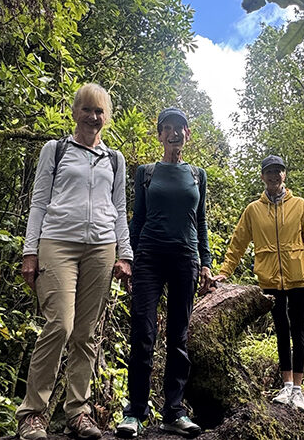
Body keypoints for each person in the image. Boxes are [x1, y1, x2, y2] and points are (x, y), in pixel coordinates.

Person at [16, 83, 133, 440]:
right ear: (75, 112)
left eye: (99, 111)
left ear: (106, 117)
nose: (93, 117)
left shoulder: (114, 159)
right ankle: (32, 414)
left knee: (87, 334)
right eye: (87, 109)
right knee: (59, 326)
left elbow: (119, 210)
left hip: (101, 247)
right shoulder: (56, 150)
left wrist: (125, 254)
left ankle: (78, 412)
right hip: (57, 243)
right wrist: (29, 250)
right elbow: (38, 202)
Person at [116, 107, 211, 439]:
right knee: (143, 333)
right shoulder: (146, 173)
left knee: (179, 337)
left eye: (179, 128)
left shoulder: (197, 175)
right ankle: (135, 413)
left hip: (185, 258)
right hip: (149, 257)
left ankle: (173, 412)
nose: (173, 133)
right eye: (167, 128)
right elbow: (136, 219)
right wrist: (126, 257)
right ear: (159, 135)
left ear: (188, 134)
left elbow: (200, 222)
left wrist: (206, 262)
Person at [212, 155, 304, 413]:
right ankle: (286, 386)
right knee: (281, 329)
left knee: (298, 329)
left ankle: (298, 389)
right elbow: (238, 243)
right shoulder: (253, 210)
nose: (274, 176)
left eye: (278, 171)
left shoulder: (299, 205)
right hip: (269, 279)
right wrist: (224, 272)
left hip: (299, 277)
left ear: (284, 175)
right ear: (262, 176)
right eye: (269, 172)